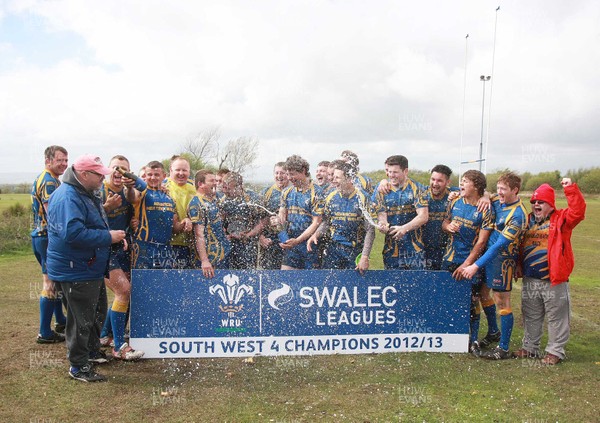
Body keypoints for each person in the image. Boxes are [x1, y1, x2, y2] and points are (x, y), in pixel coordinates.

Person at [47, 154, 126, 382]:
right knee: (81, 319)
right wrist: (108, 236)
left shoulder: (84, 192)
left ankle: (91, 351)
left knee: (97, 311)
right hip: (75, 269)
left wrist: (112, 238)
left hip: (88, 267)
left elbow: (89, 221)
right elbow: (72, 233)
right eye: (99, 174)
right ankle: (78, 366)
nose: (103, 178)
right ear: (84, 175)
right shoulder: (67, 197)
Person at [513, 178, 586, 364]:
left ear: (550, 205)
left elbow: (578, 211)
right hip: (530, 278)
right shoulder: (527, 220)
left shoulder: (561, 219)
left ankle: (555, 351)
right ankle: (530, 348)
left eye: (541, 202)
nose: (536, 204)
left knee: (557, 317)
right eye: (534, 202)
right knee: (530, 315)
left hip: (553, 279)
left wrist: (570, 189)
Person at [460, 172, 528, 360]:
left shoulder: (519, 215)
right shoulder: (497, 200)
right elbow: (486, 194)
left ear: (515, 190)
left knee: (502, 301)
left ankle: (504, 348)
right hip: (486, 257)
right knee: (482, 295)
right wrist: (485, 196)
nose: (500, 192)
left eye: (504, 189)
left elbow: (499, 246)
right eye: (498, 188)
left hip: (502, 261)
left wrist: (474, 266)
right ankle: (493, 332)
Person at [442, 170, 495, 355]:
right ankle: (451, 337)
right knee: (449, 298)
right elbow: (445, 222)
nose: (461, 184)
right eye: (461, 181)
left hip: (470, 263)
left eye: (465, 182)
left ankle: (472, 341)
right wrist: (448, 227)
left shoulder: (486, 209)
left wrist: (466, 265)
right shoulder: (455, 200)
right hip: (449, 259)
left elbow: (481, 243)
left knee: (472, 300)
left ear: (477, 186)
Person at [99, 155, 145, 361]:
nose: (118, 172)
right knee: (123, 290)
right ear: (108, 170)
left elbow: (135, 198)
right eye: (115, 168)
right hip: (101, 250)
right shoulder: (98, 191)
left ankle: (104, 335)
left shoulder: (128, 192)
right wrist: (105, 208)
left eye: (124, 169)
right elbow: (85, 219)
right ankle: (119, 347)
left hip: (123, 250)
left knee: (124, 293)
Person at [31, 145, 69, 344]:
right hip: (46, 236)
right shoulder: (48, 181)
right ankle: (44, 332)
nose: (63, 164)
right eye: (59, 160)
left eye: (65, 160)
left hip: (41, 235)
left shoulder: (49, 178)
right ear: (48, 161)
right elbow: (52, 212)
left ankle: (60, 321)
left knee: (54, 279)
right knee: (50, 282)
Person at [307, 161, 374, 272]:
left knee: (353, 285)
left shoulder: (362, 198)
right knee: (330, 283)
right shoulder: (330, 196)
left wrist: (365, 256)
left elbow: (370, 230)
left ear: (349, 179)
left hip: (354, 249)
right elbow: (326, 222)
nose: (333, 180)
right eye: (333, 177)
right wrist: (316, 234)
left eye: (337, 177)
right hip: (333, 249)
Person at [131, 161, 189, 269]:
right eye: (149, 174)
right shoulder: (141, 192)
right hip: (144, 248)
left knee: (163, 284)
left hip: (165, 249)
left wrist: (186, 221)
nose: (153, 178)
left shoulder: (169, 198)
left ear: (164, 176)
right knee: (142, 284)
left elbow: (175, 227)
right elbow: (131, 197)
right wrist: (129, 187)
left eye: (156, 175)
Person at [373, 155, 428, 270]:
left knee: (416, 284)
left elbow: (423, 216)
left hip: (414, 250)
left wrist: (404, 228)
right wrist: (383, 224)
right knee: (392, 285)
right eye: (389, 171)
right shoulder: (382, 190)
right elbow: (382, 215)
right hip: (391, 250)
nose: (391, 175)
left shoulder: (417, 188)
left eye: (395, 172)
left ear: (405, 171)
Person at [272, 155, 323, 270]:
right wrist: (279, 230)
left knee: (310, 283)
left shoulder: (316, 193)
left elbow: (316, 223)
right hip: (291, 244)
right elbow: (282, 217)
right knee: (285, 277)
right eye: (288, 174)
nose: (289, 178)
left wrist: (298, 241)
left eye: (292, 174)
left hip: (310, 244)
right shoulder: (286, 192)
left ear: (303, 171)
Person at [188, 170, 231, 277]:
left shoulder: (212, 200)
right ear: (200, 184)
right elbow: (199, 234)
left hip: (222, 253)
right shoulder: (196, 203)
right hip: (210, 257)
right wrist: (204, 260)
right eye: (212, 181)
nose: (215, 183)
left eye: (216, 180)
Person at [219, 172, 265, 269]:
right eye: (224, 187)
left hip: (248, 244)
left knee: (247, 272)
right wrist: (225, 235)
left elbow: (262, 223)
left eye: (228, 189)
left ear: (239, 187)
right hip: (229, 243)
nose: (225, 191)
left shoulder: (252, 199)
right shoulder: (223, 201)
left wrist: (248, 235)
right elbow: (220, 223)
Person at [164, 156, 196, 268]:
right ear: (170, 171)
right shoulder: (164, 187)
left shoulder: (193, 189)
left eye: (184, 170)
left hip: (191, 244)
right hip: (170, 244)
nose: (181, 173)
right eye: (177, 170)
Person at [258, 162, 290, 269]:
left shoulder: (294, 191)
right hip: (270, 241)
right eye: (277, 173)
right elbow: (256, 218)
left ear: (288, 174)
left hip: (290, 240)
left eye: (282, 173)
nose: (279, 176)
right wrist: (260, 237)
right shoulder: (266, 192)